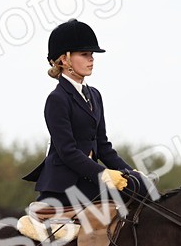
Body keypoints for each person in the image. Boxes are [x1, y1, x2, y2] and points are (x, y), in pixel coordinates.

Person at [22, 19, 145, 207]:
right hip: (65, 183)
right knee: (124, 199)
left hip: (88, 179)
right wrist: (104, 174)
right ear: (65, 60)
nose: (91, 59)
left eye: (92, 54)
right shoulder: (57, 99)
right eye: (84, 54)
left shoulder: (95, 95)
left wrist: (132, 173)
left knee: (142, 189)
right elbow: (68, 152)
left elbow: (103, 147)